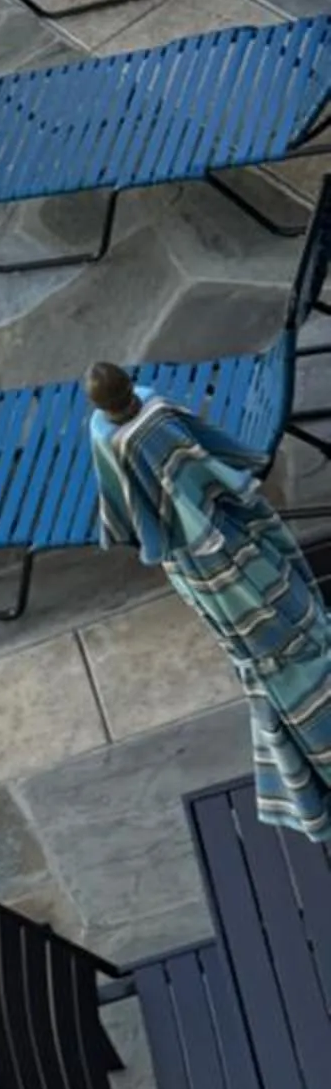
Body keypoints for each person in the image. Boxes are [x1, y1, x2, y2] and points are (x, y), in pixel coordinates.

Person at [88, 358, 331, 840]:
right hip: (239, 569)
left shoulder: (129, 438)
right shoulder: (158, 424)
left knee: (290, 664)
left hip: (239, 589)